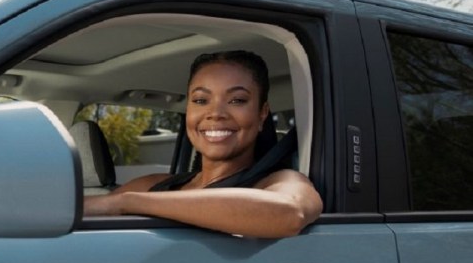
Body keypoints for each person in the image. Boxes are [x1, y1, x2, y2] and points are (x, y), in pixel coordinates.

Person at [83, 50, 323, 238]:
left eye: (237, 100)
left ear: (262, 114)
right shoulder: (153, 184)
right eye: (201, 100)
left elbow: (290, 213)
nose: (215, 113)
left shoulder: (279, 182)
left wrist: (129, 203)